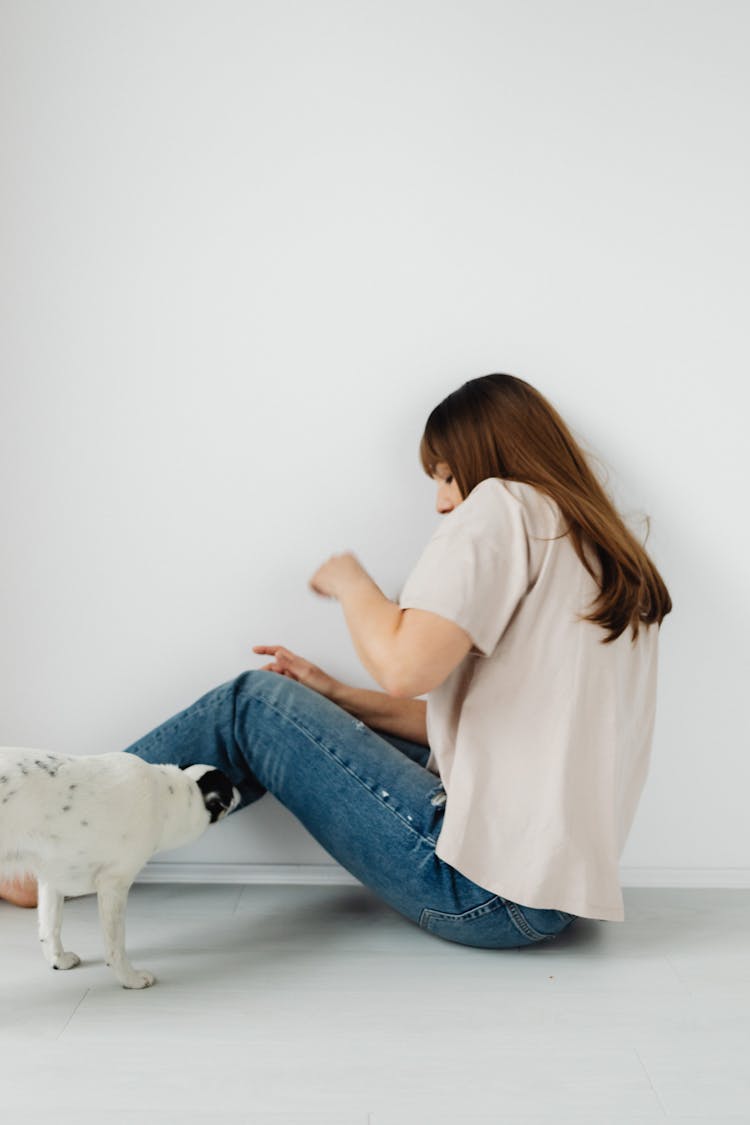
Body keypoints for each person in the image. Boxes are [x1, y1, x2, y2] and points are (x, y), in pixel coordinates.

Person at [2, 373, 671, 947]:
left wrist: (354, 585)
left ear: (483, 454)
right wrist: (332, 693)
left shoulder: (503, 501)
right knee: (280, 707)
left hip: (482, 892)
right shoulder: (600, 554)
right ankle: (68, 853)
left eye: (443, 473)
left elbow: (406, 666)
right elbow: (479, 730)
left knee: (248, 705)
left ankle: (49, 859)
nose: (442, 499)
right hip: (545, 901)